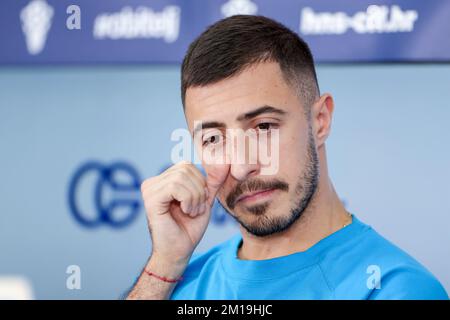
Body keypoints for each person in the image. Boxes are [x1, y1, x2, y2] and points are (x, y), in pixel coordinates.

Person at [126, 15, 448, 300]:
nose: (241, 166)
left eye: (264, 127)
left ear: (320, 120)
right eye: (214, 139)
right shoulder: (176, 283)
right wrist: (164, 265)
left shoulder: (396, 290)